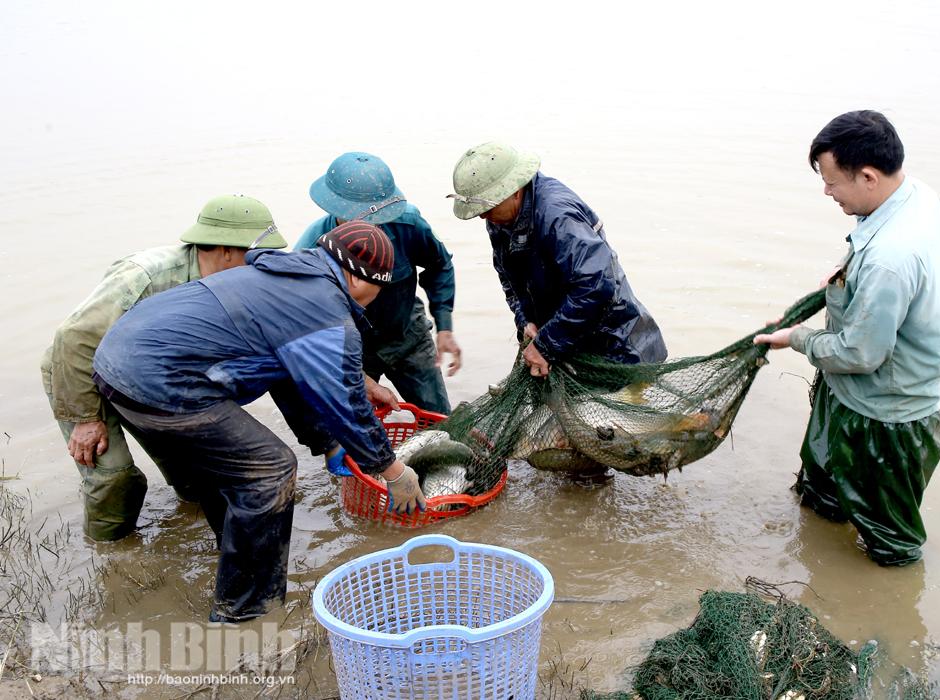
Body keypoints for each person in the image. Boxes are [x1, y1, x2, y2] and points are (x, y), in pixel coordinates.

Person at [92, 222, 426, 622]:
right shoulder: (324, 309)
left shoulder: (285, 275)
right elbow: (349, 408)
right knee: (270, 469)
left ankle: (230, 556)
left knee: (230, 466)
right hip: (160, 382)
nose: (376, 299)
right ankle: (246, 612)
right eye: (379, 288)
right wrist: (392, 470)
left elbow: (286, 372)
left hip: (116, 366)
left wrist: (328, 436)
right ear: (356, 278)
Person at [754, 110, 940, 566]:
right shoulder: (916, 195)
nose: (826, 191)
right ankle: (826, 578)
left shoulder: (890, 260)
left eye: (832, 181)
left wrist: (797, 338)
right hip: (845, 397)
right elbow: (869, 270)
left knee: (890, 546)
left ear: (867, 176)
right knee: (821, 501)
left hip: (885, 421)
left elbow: (861, 353)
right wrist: (837, 287)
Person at [40, 194, 288, 542]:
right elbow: (74, 339)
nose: (262, 263)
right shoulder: (147, 276)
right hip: (81, 373)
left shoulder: (234, 283)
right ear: (226, 250)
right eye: (256, 253)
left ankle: (183, 524)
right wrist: (86, 418)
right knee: (115, 478)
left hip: (147, 381)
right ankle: (110, 552)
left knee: (194, 478)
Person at [448, 141, 667, 377]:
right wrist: (526, 321)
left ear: (514, 191)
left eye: (487, 209)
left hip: (616, 347)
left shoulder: (558, 216)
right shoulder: (499, 218)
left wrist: (546, 344)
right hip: (565, 343)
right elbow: (508, 279)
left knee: (631, 408)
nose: (483, 217)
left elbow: (596, 286)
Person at [293, 152, 459, 413]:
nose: (370, 227)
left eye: (377, 220)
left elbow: (439, 266)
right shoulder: (311, 249)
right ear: (334, 209)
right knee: (347, 427)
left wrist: (444, 325)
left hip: (408, 337)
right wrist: (358, 375)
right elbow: (307, 329)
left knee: (440, 420)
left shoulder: (410, 224)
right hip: (351, 349)